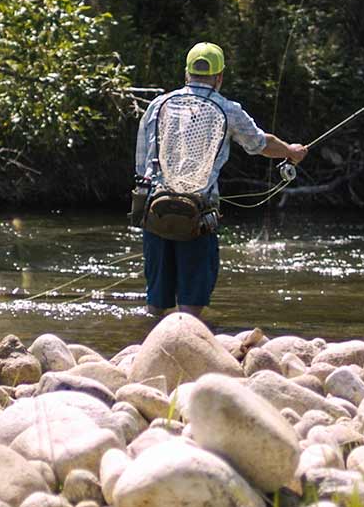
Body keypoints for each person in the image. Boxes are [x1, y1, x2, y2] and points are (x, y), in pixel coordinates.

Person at [132, 41, 308, 318]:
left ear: (186, 73)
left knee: (156, 300)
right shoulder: (227, 108)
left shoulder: (158, 105)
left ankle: (150, 348)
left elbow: (142, 161)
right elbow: (259, 144)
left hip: (154, 210)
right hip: (198, 214)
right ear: (220, 76)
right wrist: (290, 151)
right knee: (192, 298)